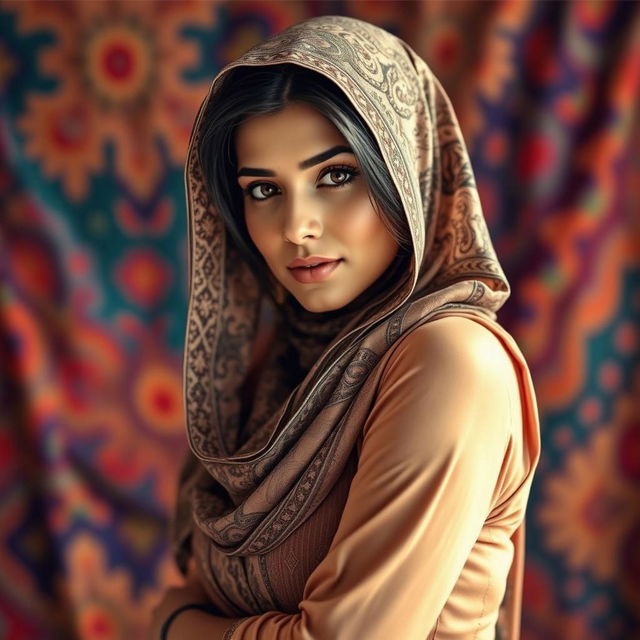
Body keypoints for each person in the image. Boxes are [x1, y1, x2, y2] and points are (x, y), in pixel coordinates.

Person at [150, 15, 540, 640]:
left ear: (405, 176)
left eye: (335, 176)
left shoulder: (449, 361)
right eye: (262, 190)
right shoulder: (280, 365)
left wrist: (173, 625)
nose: (296, 226)